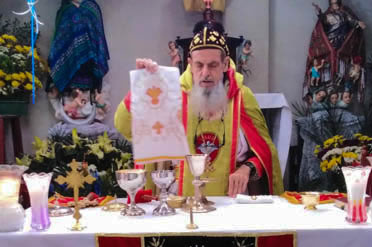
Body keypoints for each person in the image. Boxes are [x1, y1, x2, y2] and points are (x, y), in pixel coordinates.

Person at [114, 25, 283, 197]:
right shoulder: (172, 95)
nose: (205, 73)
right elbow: (124, 126)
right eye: (199, 65)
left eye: (213, 65)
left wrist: (247, 168)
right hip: (180, 201)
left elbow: (265, 153)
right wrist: (139, 87)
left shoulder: (242, 97)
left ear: (225, 64)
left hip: (232, 201)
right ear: (190, 64)